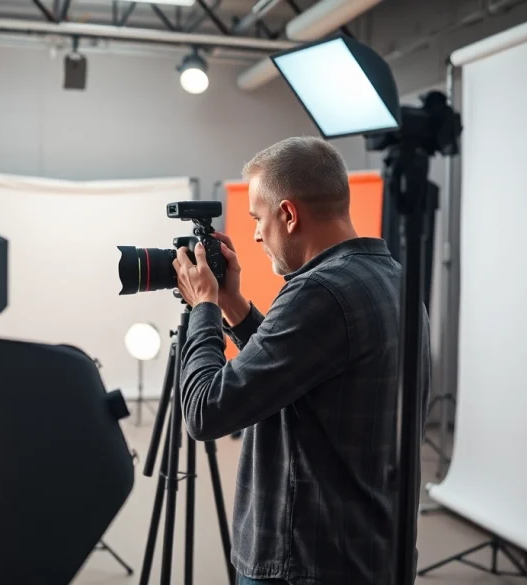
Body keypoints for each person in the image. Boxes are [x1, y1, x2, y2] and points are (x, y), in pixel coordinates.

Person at [171, 136, 430, 585]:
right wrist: (232, 303)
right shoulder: (392, 277)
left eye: (258, 218)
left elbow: (204, 411)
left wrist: (204, 308)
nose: (254, 234)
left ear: (288, 215)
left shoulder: (317, 292)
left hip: (305, 561)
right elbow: (296, 372)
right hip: (369, 548)